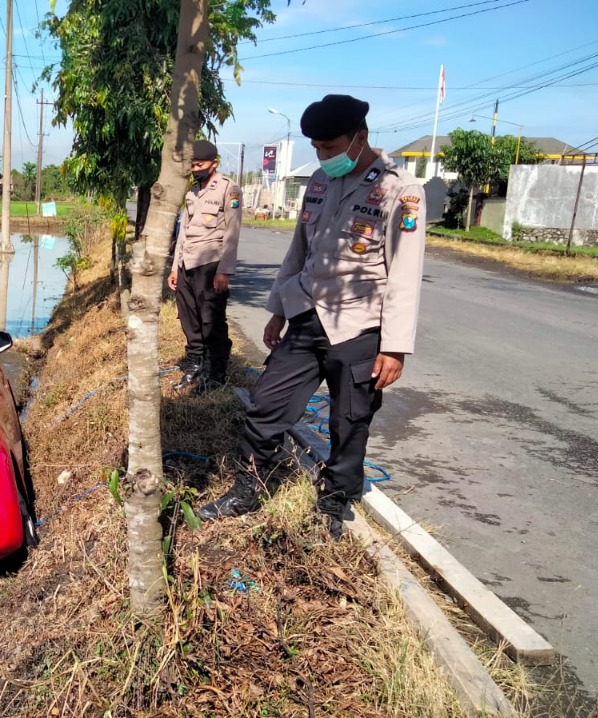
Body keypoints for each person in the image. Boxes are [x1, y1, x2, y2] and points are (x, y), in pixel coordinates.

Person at [195, 94, 426, 539]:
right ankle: (250, 487)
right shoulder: (320, 181)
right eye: (317, 147)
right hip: (304, 316)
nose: (322, 155)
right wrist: (278, 310)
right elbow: (298, 250)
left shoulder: (401, 191)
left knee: (349, 419)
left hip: (358, 327)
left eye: (329, 146)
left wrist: (395, 347)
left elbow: (404, 272)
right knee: (266, 405)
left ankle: (334, 501)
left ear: (360, 138)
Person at [167, 139, 242, 394]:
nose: (195, 168)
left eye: (199, 164)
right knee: (189, 317)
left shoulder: (228, 189)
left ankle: (216, 372)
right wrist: (175, 267)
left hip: (210, 264)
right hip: (187, 262)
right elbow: (184, 232)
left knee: (211, 320)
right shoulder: (192, 192)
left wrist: (224, 271)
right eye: (192, 165)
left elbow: (232, 232)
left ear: (214, 163)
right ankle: (195, 365)